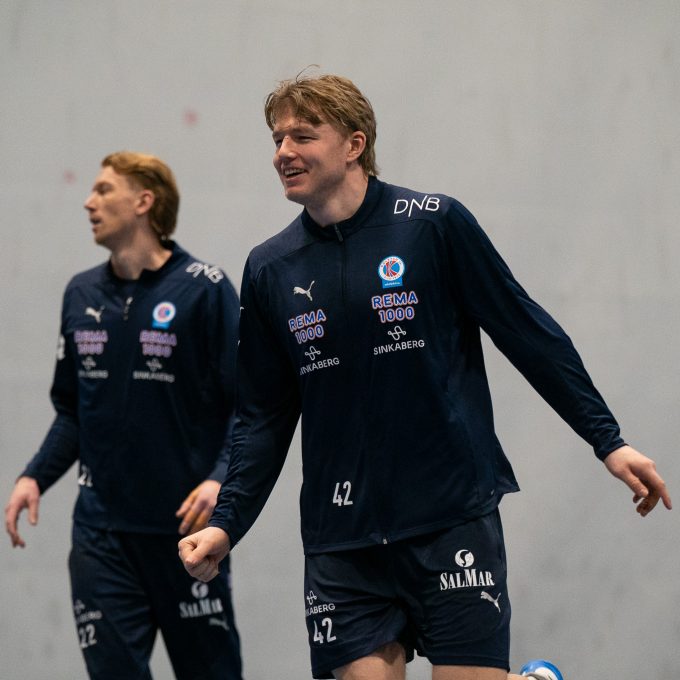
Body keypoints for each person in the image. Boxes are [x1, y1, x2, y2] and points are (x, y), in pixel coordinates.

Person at [178, 74, 672, 680]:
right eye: (277, 138)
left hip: (449, 519)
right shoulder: (270, 267)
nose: (283, 152)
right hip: (343, 540)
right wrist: (226, 523)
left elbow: (527, 333)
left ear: (354, 144)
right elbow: (263, 417)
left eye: (302, 136)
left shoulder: (432, 224)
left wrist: (607, 440)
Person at [5, 151, 243, 679]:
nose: (88, 202)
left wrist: (219, 480)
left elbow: (247, 406)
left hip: (186, 536)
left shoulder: (204, 289)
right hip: (102, 537)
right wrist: (33, 477)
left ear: (144, 201)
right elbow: (73, 412)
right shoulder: (81, 293)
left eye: (104, 190)